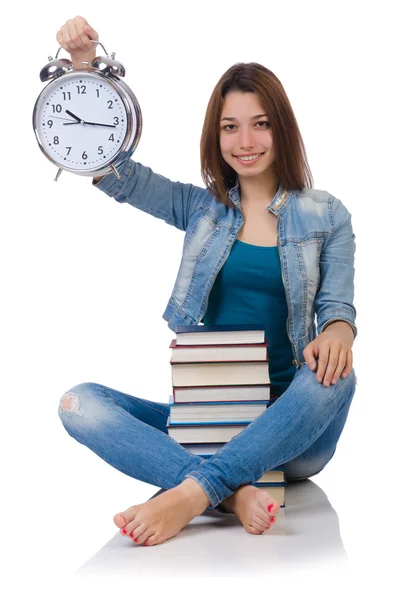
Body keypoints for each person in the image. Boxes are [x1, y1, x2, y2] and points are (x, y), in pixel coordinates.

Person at [57, 15, 358, 548]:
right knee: (80, 403)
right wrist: (83, 69)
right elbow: (113, 171)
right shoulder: (201, 208)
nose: (245, 141)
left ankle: (193, 492)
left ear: (281, 129)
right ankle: (231, 490)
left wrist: (338, 332)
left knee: (339, 378)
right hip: (213, 420)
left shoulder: (327, 214)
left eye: (260, 123)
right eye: (230, 126)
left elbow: (337, 308)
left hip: (293, 428)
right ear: (215, 134)